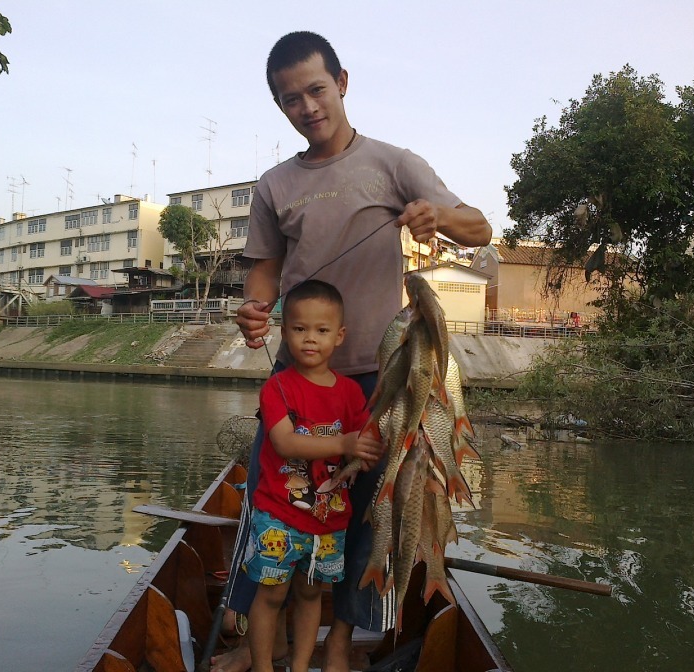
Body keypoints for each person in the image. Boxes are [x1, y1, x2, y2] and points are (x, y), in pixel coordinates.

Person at [212, 30, 492, 672]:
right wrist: (255, 308)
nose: (307, 107)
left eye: (315, 89)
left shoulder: (393, 163)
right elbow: (264, 269)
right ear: (280, 106)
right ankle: (263, 638)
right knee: (274, 500)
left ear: (342, 82)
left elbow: (479, 225)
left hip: (380, 382)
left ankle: (338, 645)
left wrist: (436, 217)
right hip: (296, 380)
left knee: (365, 513)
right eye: (290, 99)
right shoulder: (275, 184)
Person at [243, 279, 379, 672]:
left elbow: (368, 445)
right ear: (284, 333)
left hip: (328, 522)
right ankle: (264, 667)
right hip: (279, 518)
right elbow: (285, 443)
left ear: (340, 337)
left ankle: (301, 666)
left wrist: (369, 450)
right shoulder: (277, 388)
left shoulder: (352, 394)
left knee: (310, 595)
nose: (309, 339)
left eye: (321, 331)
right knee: (271, 594)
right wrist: (347, 444)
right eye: (300, 329)